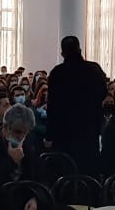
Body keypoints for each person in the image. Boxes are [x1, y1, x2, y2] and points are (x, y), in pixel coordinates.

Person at [45, 35, 107, 173]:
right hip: (89, 128)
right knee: (88, 170)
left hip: (64, 130)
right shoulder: (94, 69)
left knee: (65, 170)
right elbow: (103, 93)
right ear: (80, 50)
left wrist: (49, 135)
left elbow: (52, 106)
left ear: (62, 53)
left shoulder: (57, 72)